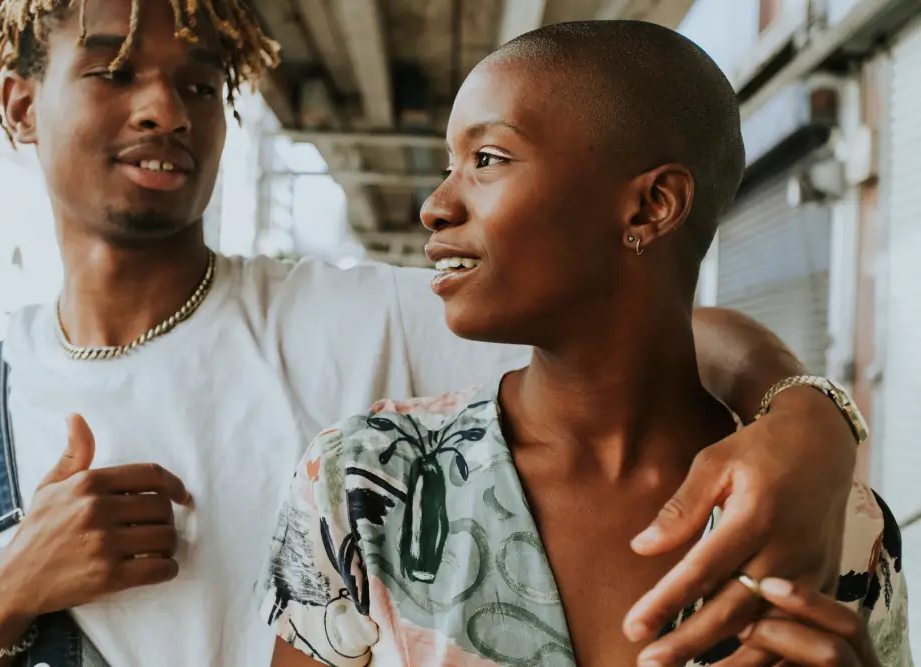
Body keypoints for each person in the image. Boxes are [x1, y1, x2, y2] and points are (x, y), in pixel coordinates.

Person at [0, 2, 875, 666]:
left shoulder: (350, 321)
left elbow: (648, 330)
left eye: (203, 84)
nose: (165, 108)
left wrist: (806, 420)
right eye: (113, 71)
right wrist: (1, 598)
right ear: (17, 105)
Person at [258, 21, 909, 667]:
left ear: (652, 206)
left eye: (487, 159)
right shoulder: (365, 480)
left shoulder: (825, 520)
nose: (435, 204)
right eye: (448, 164)